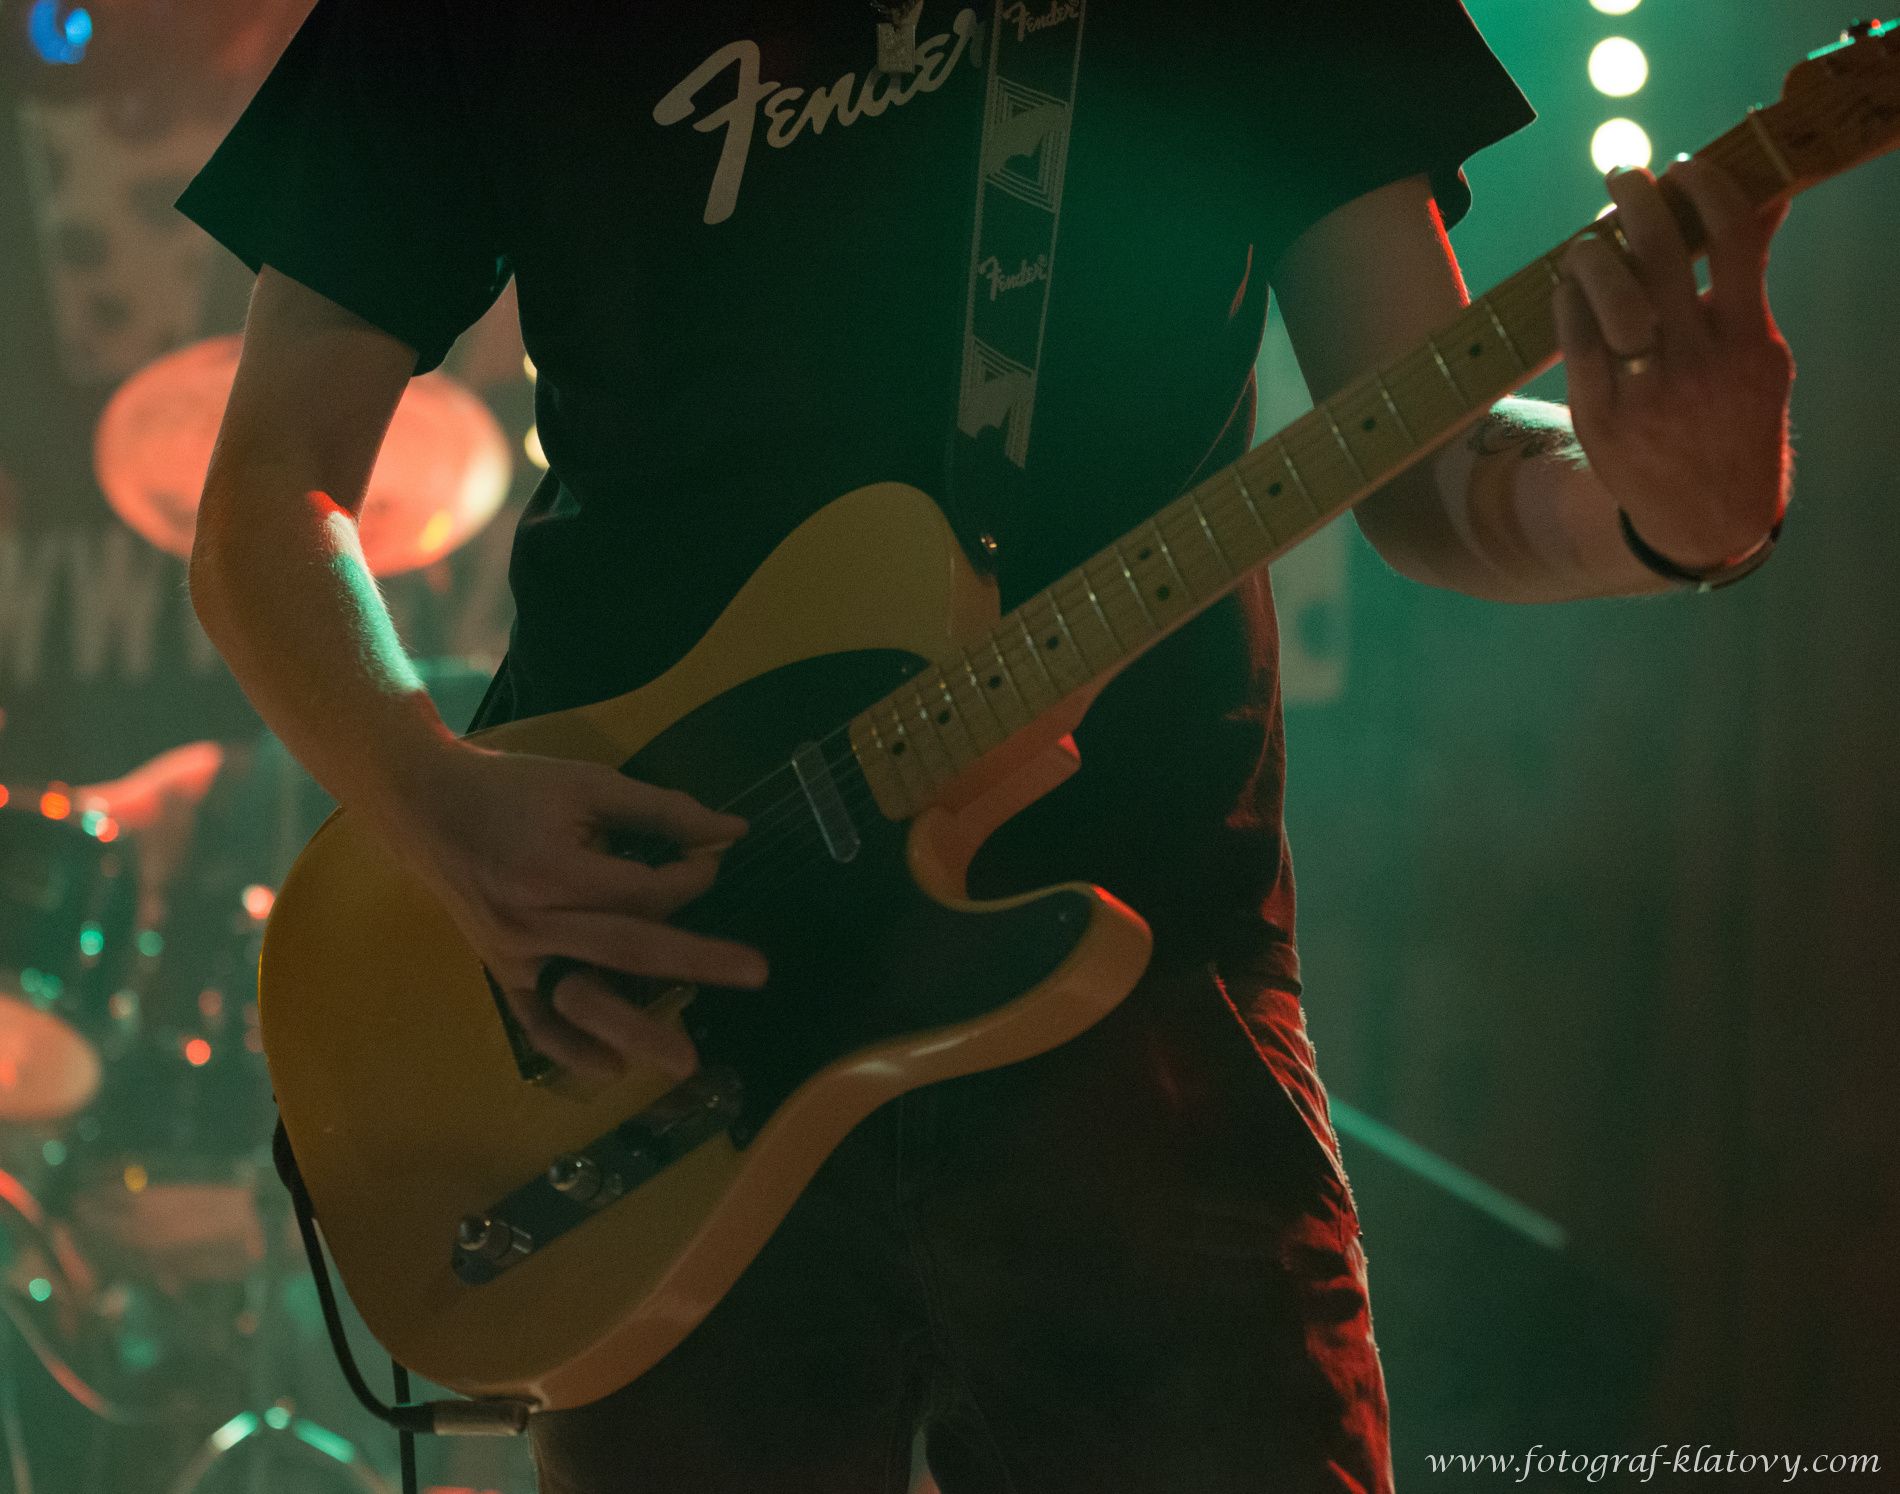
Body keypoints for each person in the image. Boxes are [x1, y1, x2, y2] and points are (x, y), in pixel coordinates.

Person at [177, 3, 1792, 1490]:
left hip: (1136, 1016)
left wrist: (1662, 505)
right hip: (655, 1031)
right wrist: (435, 801)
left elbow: (1430, 464)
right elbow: (264, 498)